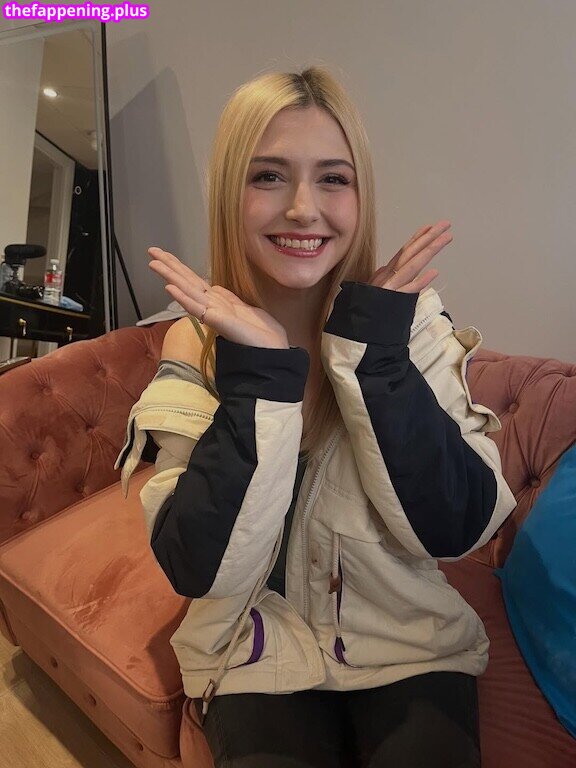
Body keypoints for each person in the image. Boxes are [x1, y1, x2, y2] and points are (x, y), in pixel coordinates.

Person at [115, 66, 517, 767]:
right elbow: (197, 565)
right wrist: (259, 373)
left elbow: (456, 527)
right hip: (253, 647)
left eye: (333, 178)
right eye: (269, 176)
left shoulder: (410, 327)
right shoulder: (194, 342)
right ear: (230, 192)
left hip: (407, 638)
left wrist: (374, 357)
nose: (304, 208)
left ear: (361, 196)